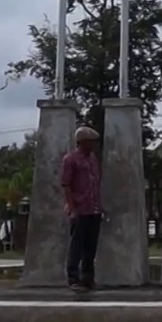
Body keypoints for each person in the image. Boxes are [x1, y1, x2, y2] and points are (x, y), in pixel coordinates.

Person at [61, 125, 102, 292]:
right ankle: (73, 278)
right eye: (90, 142)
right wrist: (72, 207)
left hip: (93, 208)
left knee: (90, 247)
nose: (93, 145)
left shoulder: (93, 159)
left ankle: (88, 278)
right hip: (79, 208)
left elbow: (96, 183)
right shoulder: (70, 160)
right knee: (76, 245)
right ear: (82, 142)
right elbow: (66, 184)